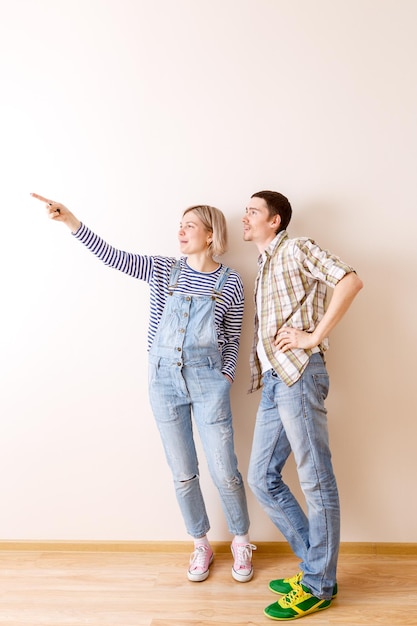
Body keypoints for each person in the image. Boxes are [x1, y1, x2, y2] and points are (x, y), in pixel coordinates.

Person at [32, 192, 255, 583]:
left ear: (210, 234)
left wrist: (225, 379)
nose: (180, 231)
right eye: (180, 225)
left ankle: (240, 539)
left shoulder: (231, 280)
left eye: (189, 225)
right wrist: (71, 221)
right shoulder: (163, 269)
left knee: (225, 471)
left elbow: (234, 336)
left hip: (208, 382)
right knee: (183, 473)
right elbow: (111, 256)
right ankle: (200, 544)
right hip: (163, 381)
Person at [242, 190, 363, 620]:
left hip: (300, 374)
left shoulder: (295, 248)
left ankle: (319, 585)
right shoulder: (263, 264)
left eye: (253, 211)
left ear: (275, 221)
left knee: (315, 480)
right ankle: (316, 566)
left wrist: (312, 338)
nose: (246, 217)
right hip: (277, 381)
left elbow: (350, 280)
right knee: (260, 477)